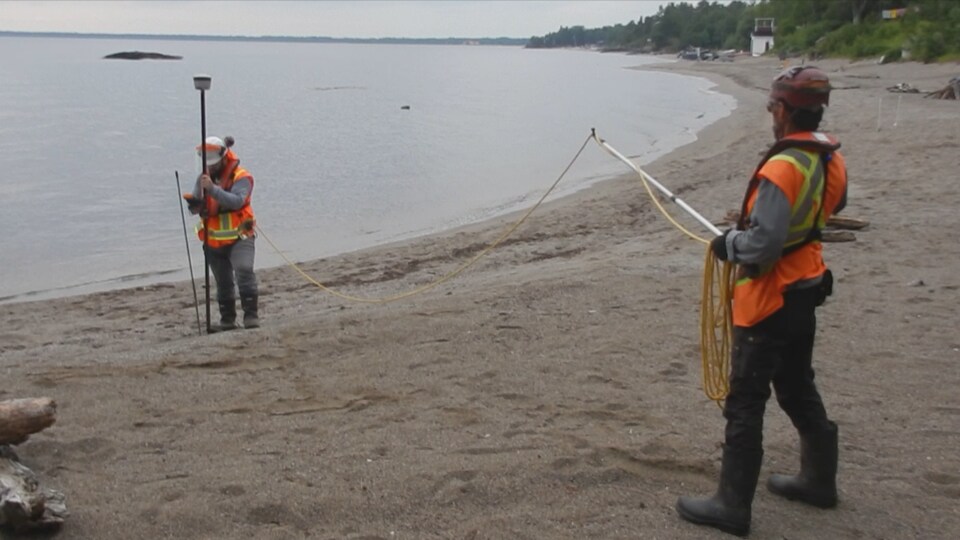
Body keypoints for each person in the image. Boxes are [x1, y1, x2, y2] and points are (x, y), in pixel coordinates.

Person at [676, 66, 848, 537]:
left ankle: (731, 505)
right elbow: (835, 205)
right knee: (795, 385)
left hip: (770, 300)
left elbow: (765, 245)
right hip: (807, 288)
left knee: (746, 399)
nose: (771, 114)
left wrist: (728, 245)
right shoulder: (828, 156)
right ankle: (818, 481)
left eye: (773, 106)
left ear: (785, 109)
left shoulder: (783, 165)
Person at [184, 135, 260, 332]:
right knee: (223, 280)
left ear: (223, 158)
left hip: (240, 236)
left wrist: (212, 189)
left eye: (214, 163)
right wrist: (194, 203)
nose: (210, 167)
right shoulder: (203, 178)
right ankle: (227, 319)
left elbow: (236, 201)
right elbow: (197, 206)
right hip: (213, 239)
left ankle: (251, 316)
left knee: (243, 269)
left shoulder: (242, 177)